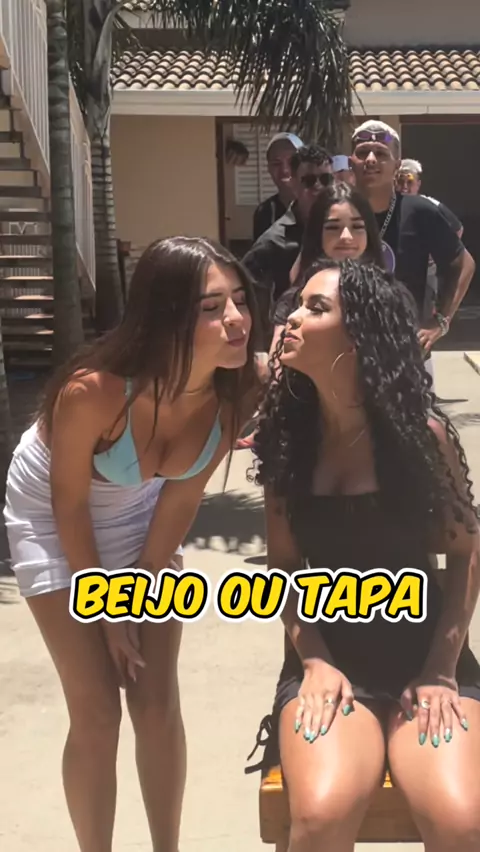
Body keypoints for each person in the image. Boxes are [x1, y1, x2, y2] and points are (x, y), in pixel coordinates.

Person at [3, 236, 260, 852]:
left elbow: (180, 500)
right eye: (212, 307)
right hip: (52, 516)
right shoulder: (93, 390)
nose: (237, 319)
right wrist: (105, 609)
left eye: (241, 300)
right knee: (97, 710)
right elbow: (68, 505)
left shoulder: (237, 389)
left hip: (142, 511)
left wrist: (136, 594)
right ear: (166, 317)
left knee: (154, 700)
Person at [250, 258, 480, 852]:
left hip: (422, 655)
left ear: (359, 337)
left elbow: (466, 554)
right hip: (329, 655)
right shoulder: (286, 437)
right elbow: (283, 570)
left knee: (461, 823)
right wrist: (315, 660)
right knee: (321, 818)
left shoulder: (420, 437)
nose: (292, 318)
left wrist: (441, 667)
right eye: (296, 305)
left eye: (315, 308)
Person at [350, 120, 475, 384]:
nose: (370, 159)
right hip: (346, 353)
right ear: (352, 161)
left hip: (405, 355)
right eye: (362, 153)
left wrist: (440, 322)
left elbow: (464, 264)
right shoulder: (337, 212)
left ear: (397, 165)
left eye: (381, 153)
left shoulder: (420, 211)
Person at [270, 182, 385, 359]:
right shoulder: (295, 300)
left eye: (357, 227)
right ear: (318, 234)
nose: (346, 237)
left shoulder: (387, 296)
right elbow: (277, 364)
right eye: (333, 228)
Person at [243, 145, 334, 349]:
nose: (318, 187)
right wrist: (259, 349)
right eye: (309, 181)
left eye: (325, 179)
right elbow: (251, 297)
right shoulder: (274, 241)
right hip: (291, 342)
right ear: (293, 183)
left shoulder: (343, 230)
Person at [396, 157, 465, 387]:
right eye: (400, 181)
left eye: (409, 181)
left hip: (424, 275)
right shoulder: (389, 204)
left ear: (418, 183)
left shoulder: (428, 205)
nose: (404, 186)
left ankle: (426, 387)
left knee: (421, 329)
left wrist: (435, 252)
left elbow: (457, 229)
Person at [252, 132, 304, 241]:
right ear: (269, 169)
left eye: (291, 162)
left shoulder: (320, 206)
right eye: (276, 163)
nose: (285, 170)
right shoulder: (265, 212)